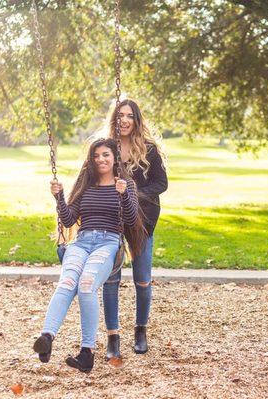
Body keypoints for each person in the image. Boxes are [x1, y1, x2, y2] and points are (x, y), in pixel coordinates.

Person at [33, 138, 145, 373]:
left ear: (114, 157)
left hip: (108, 242)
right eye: (96, 156)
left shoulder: (126, 185)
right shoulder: (87, 185)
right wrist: (59, 197)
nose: (101, 159)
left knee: (86, 285)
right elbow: (68, 220)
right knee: (67, 282)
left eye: (105, 155)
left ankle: (87, 353)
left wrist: (123, 194)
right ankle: (47, 338)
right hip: (82, 242)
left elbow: (132, 220)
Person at [102, 98, 168, 358]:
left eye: (130, 115)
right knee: (111, 279)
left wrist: (133, 193)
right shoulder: (106, 148)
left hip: (143, 220)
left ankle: (140, 330)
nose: (125, 120)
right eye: (121, 115)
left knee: (142, 278)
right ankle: (112, 337)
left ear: (137, 120)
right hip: (112, 220)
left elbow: (161, 183)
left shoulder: (148, 149)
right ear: (114, 118)